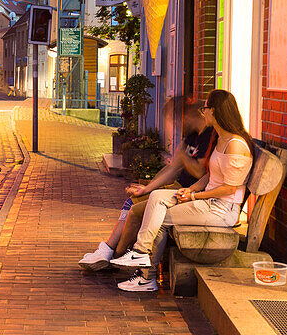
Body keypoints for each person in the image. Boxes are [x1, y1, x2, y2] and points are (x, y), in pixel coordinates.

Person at [110, 89, 255, 292]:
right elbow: (210, 176)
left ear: (214, 111)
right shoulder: (222, 140)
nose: (203, 112)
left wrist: (195, 195)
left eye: (206, 108)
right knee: (156, 197)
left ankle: (145, 273)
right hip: (207, 202)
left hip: (222, 210)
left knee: (159, 217)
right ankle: (140, 254)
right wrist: (190, 189)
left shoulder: (235, 145)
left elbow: (229, 188)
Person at [78, 95, 216, 270]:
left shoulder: (209, 136)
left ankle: (113, 256)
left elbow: (200, 172)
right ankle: (109, 252)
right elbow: (172, 168)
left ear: (185, 116)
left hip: (189, 193)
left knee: (136, 210)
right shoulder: (193, 135)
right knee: (132, 201)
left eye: (174, 121)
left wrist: (184, 157)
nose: (174, 127)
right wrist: (147, 188)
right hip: (179, 188)